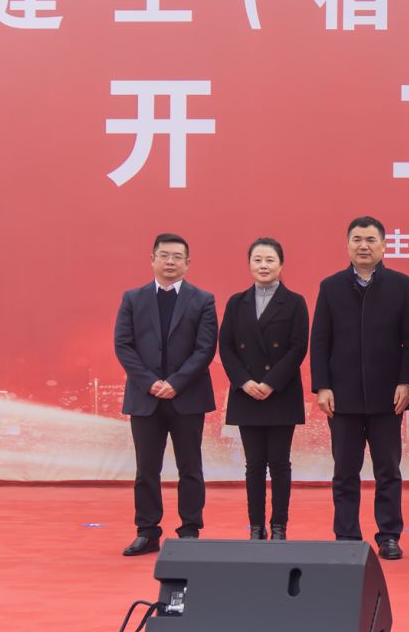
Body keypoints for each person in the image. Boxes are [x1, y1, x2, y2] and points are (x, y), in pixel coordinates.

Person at [310, 217, 409, 560]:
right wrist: (322, 386)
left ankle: (389, 535)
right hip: (342, 397)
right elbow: (320, 340)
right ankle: (346, 535)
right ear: (347, 245)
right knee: (345, 471)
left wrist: (407, 382)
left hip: (388, 397)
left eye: (371, 239)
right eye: (357, 239)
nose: (363, 245)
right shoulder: (331, 287)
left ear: (384, 246)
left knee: (388, 470)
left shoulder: (400, 285)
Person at [113, 233, 217, 555]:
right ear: (153, 259)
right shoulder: (133, 298)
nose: (170, 262)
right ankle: (147, 532)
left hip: (187, 397)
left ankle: (189, 531)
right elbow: (123, 345)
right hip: (145, 398)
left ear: (188, 263)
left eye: (177, 257)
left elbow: (205, 348)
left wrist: (176, 382)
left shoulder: (203, 300)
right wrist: (150, 383)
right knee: (146, 469)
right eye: (164, 255)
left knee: (190, 467)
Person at [218, 237, 308, 541]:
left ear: (281, 265)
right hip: (247, 394)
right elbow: (226, 347)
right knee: (254, 465)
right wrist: (244, 382)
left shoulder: (295, 302)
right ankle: (256, 527)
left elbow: (298, 347)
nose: (263, 265)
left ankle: (279, 526)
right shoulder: (236, 302)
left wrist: (271, 382)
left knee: (280, 464)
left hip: (280, 393)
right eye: (257, 260)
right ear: (249, 265)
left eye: (270, 260)